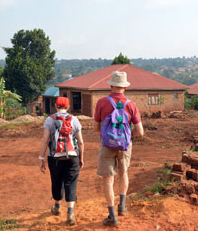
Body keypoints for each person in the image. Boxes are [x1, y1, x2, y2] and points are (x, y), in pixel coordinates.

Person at [94, 71, 144, 226]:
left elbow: (96, 128)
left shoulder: (102, 103)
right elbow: (140, 132)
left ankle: (112, 216)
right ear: (125, 87)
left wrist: (110, 136)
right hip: (125, 146)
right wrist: (126, 136)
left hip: (107, 145)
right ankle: (122, 206)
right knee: (124, 174)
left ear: (111, 86)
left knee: (108, 180)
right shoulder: (131, 105)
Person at [39, 97, 84, 226]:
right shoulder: (74, 119)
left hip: (55, 157)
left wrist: (41, 158)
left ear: (55, 106)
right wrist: (81, 158)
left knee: (56, 180)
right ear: (68, 106)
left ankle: (57, 207)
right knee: (71, 182)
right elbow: (80, 142)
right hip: (72, 156)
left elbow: (45, 140)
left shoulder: (50, 120)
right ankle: (70, 213)